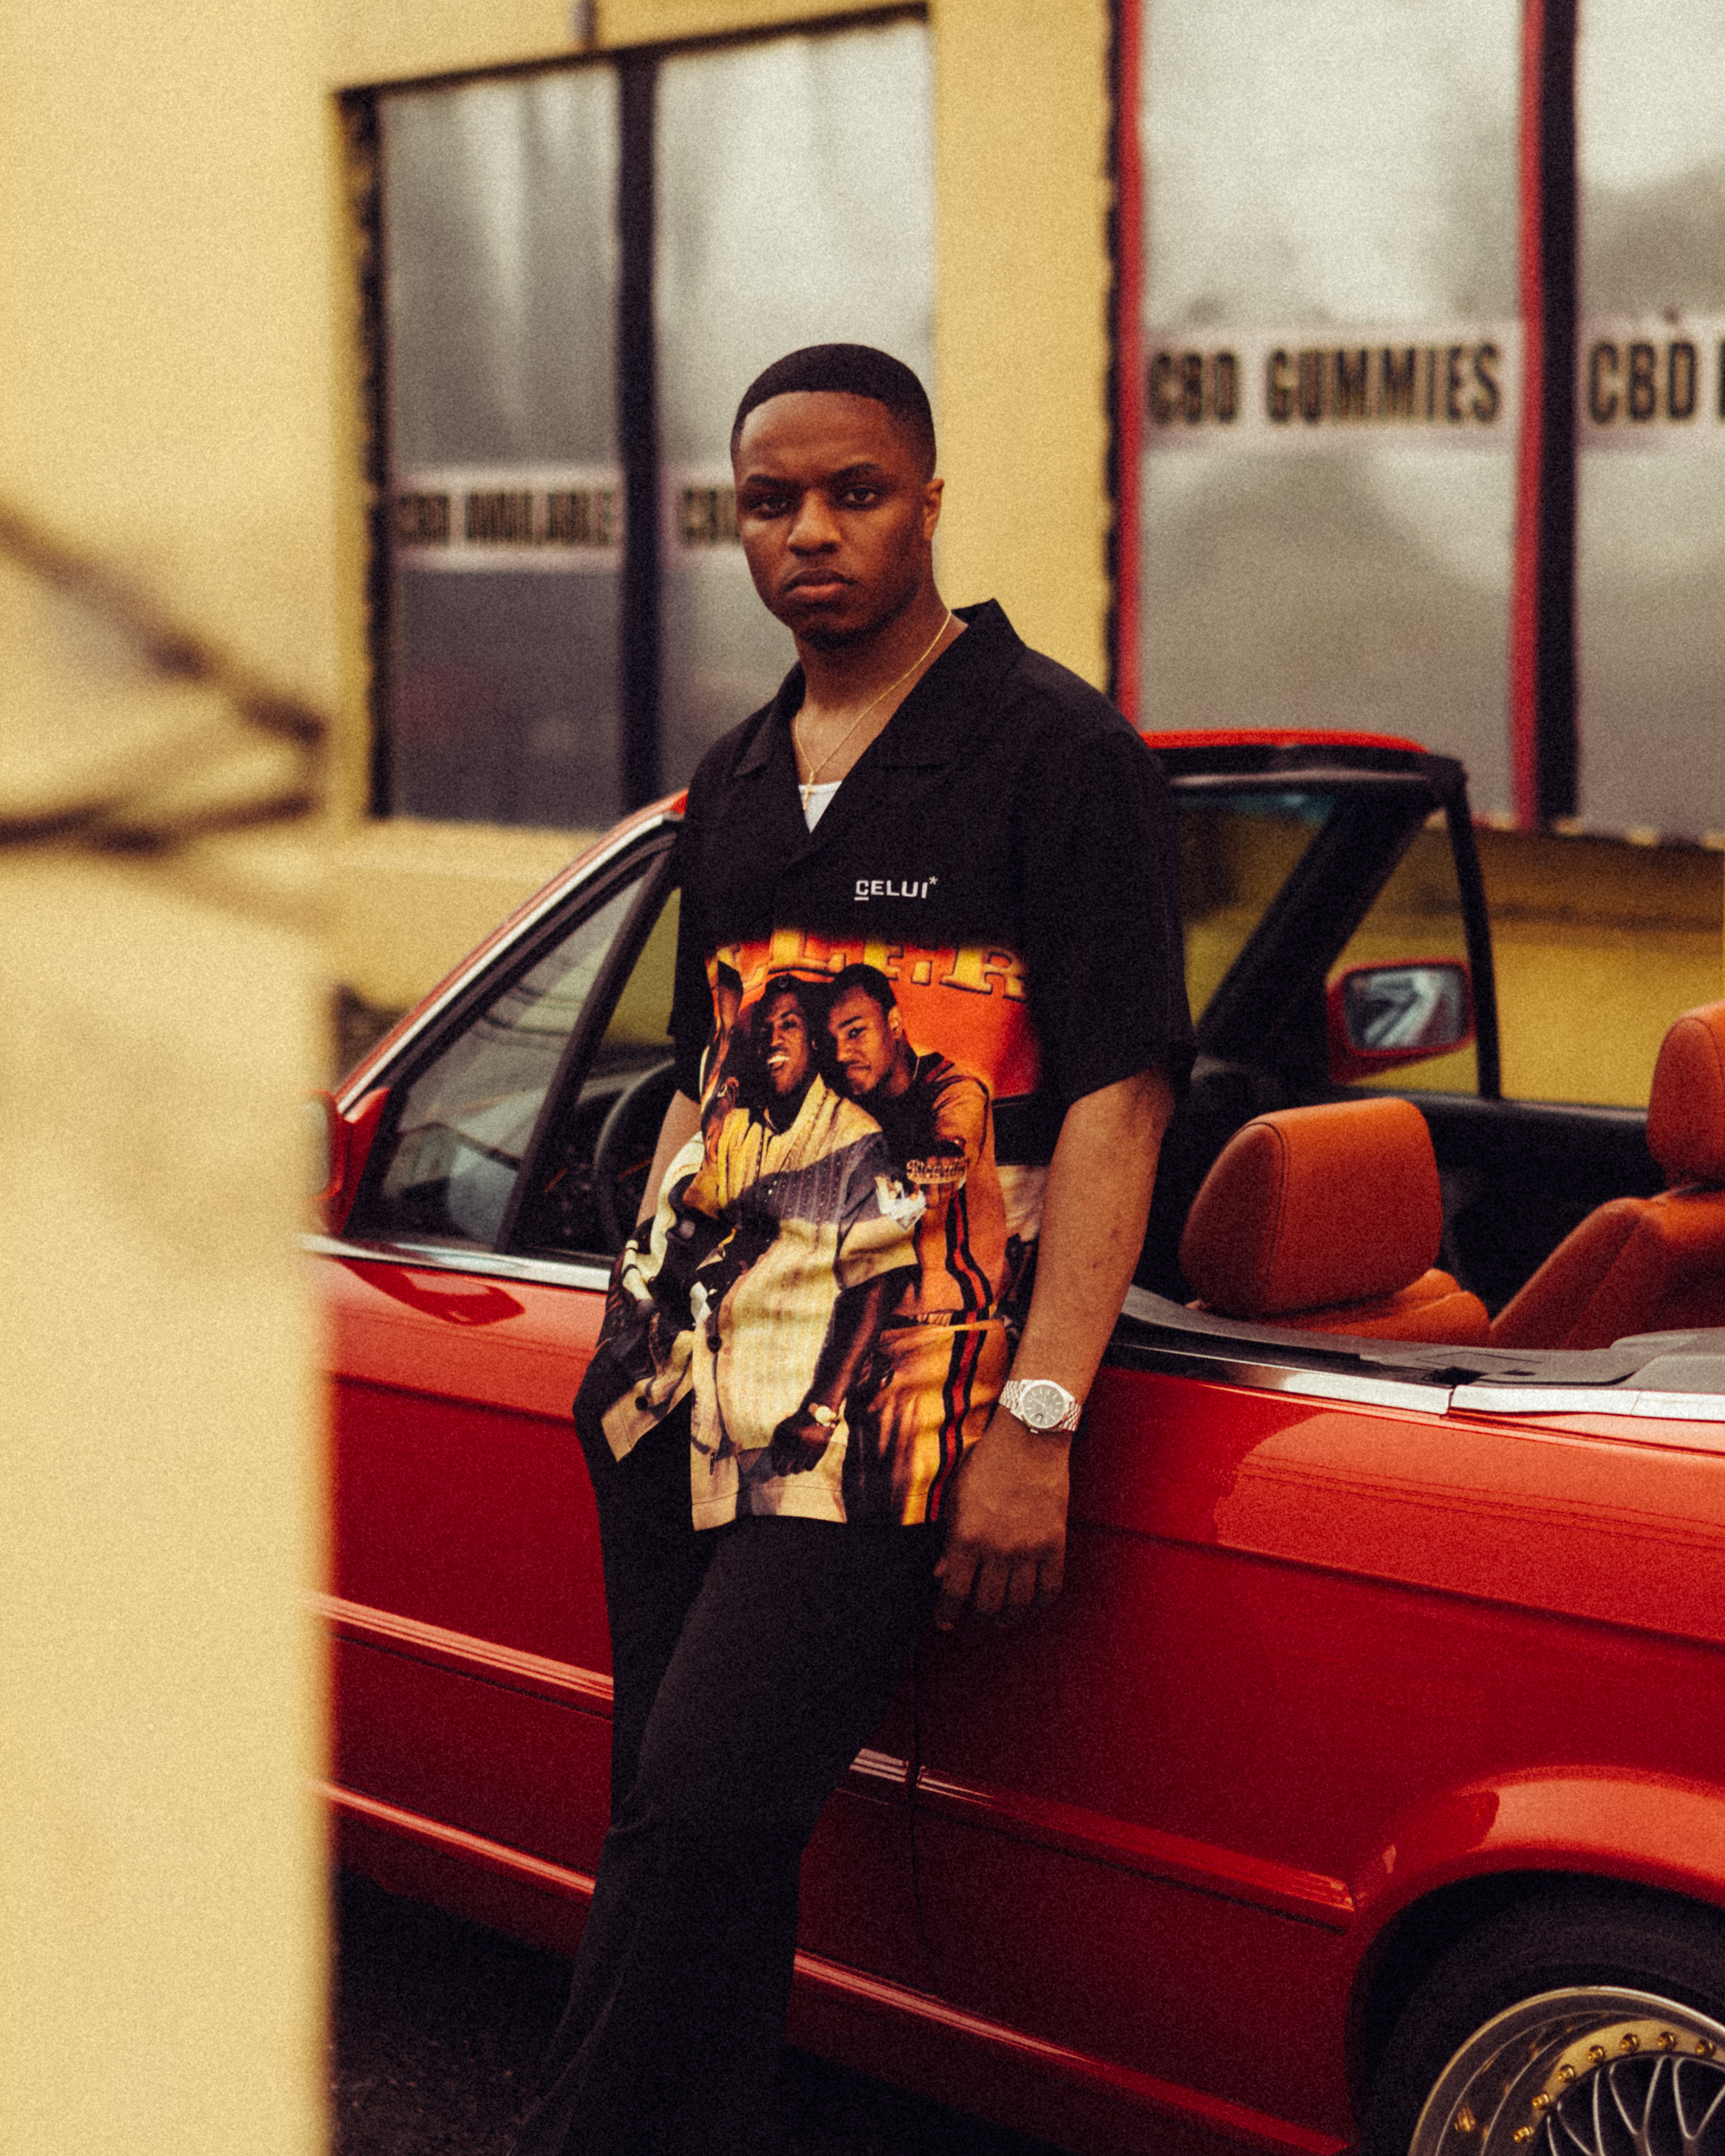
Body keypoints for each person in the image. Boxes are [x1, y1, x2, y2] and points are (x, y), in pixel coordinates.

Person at [513, 343, 1193, 2156]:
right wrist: (628, 1318)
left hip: (891, 1395)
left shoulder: (1054, 749)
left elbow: (1120, 1100)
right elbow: (702, 1075)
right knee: (674, 1819)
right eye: (769, 502)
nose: (808, 532)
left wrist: (1037, 1416)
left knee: (711, 1804)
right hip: (680, 1379)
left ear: (930, 501)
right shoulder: (736, 774)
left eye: (854, 493)